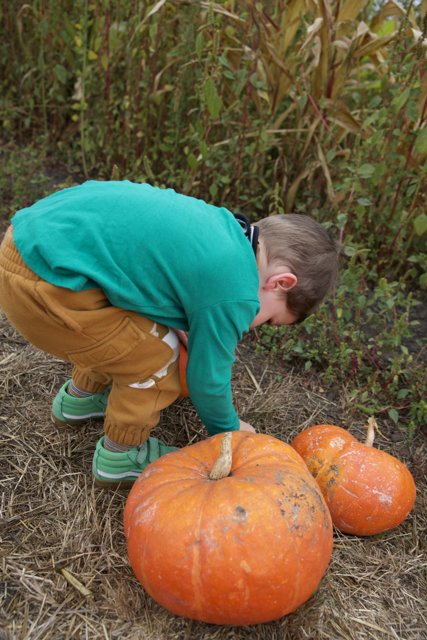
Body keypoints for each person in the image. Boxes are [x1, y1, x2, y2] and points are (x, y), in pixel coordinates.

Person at [0, 180, 338, 487]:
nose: (253, 324)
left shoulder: (224, 230)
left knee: (133, 328)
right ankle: (120, 457)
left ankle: (81, 400)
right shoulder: (237, 291)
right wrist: (229, 432)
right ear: (281, 282)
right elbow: (207, 379)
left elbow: (152, 277)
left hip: (28, 245)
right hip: (47, 288)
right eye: (267, 320)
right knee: (159, 354)